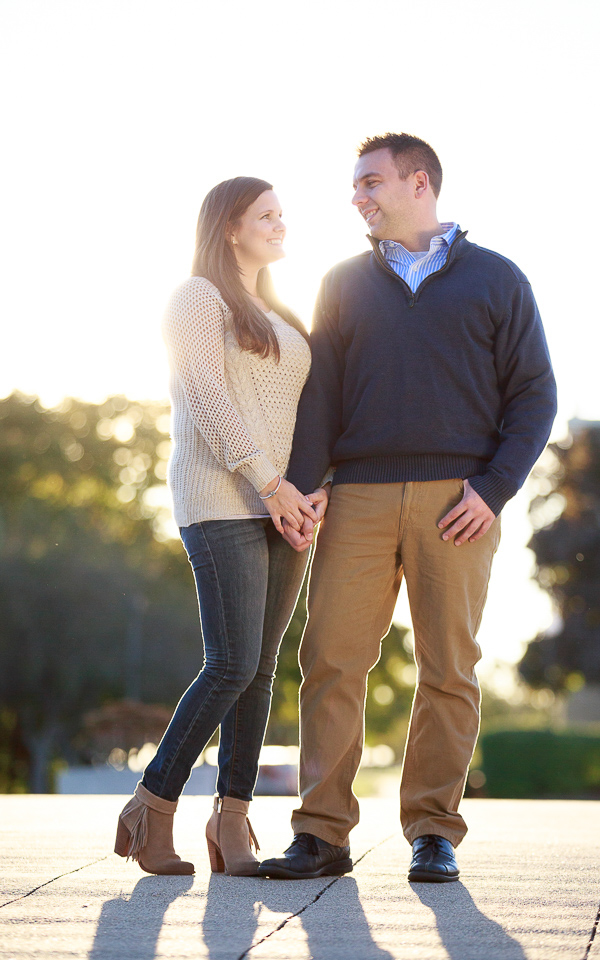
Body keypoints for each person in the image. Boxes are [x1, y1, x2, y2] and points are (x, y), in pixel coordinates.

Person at [258, 133, 557, 883]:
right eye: (356, 186)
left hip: (458, 502)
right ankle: (322, 833)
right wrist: (304, 482)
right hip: (355, 494)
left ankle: (433, 831)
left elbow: (534, 396)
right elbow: (323, 394)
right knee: (329, 658)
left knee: (448, 665)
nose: (358, 196)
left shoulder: (498, 279)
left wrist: (492, 490)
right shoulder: (342, 283)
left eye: (370, 182)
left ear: (418, 182)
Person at [114, 177, 328, 876]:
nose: (280, 224)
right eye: (265, 215)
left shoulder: (281, 311)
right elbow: (205, 393)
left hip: (285, 506)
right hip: (223, 499)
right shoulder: (196, 298)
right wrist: (267, 482)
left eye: (281, 214)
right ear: (229, 228)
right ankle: (151, 806)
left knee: (260, 671)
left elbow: (304, 412)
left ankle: (232, 823)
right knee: (230, 664)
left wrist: (307, 492)